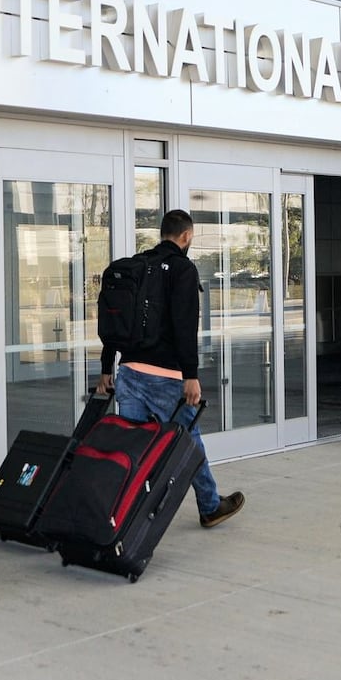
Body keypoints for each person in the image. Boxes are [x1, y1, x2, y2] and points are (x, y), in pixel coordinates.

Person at [97, 210, 245, 528]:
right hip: (166, 378)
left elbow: (116, 319)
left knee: (131, 447)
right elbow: (184, 326)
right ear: (186, 236)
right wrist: (190, 375)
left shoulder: (137, 265)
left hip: (130, 372)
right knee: (188, 442)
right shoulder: (182, 270)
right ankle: (209, 506)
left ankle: (119, 515)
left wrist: (107, 366)